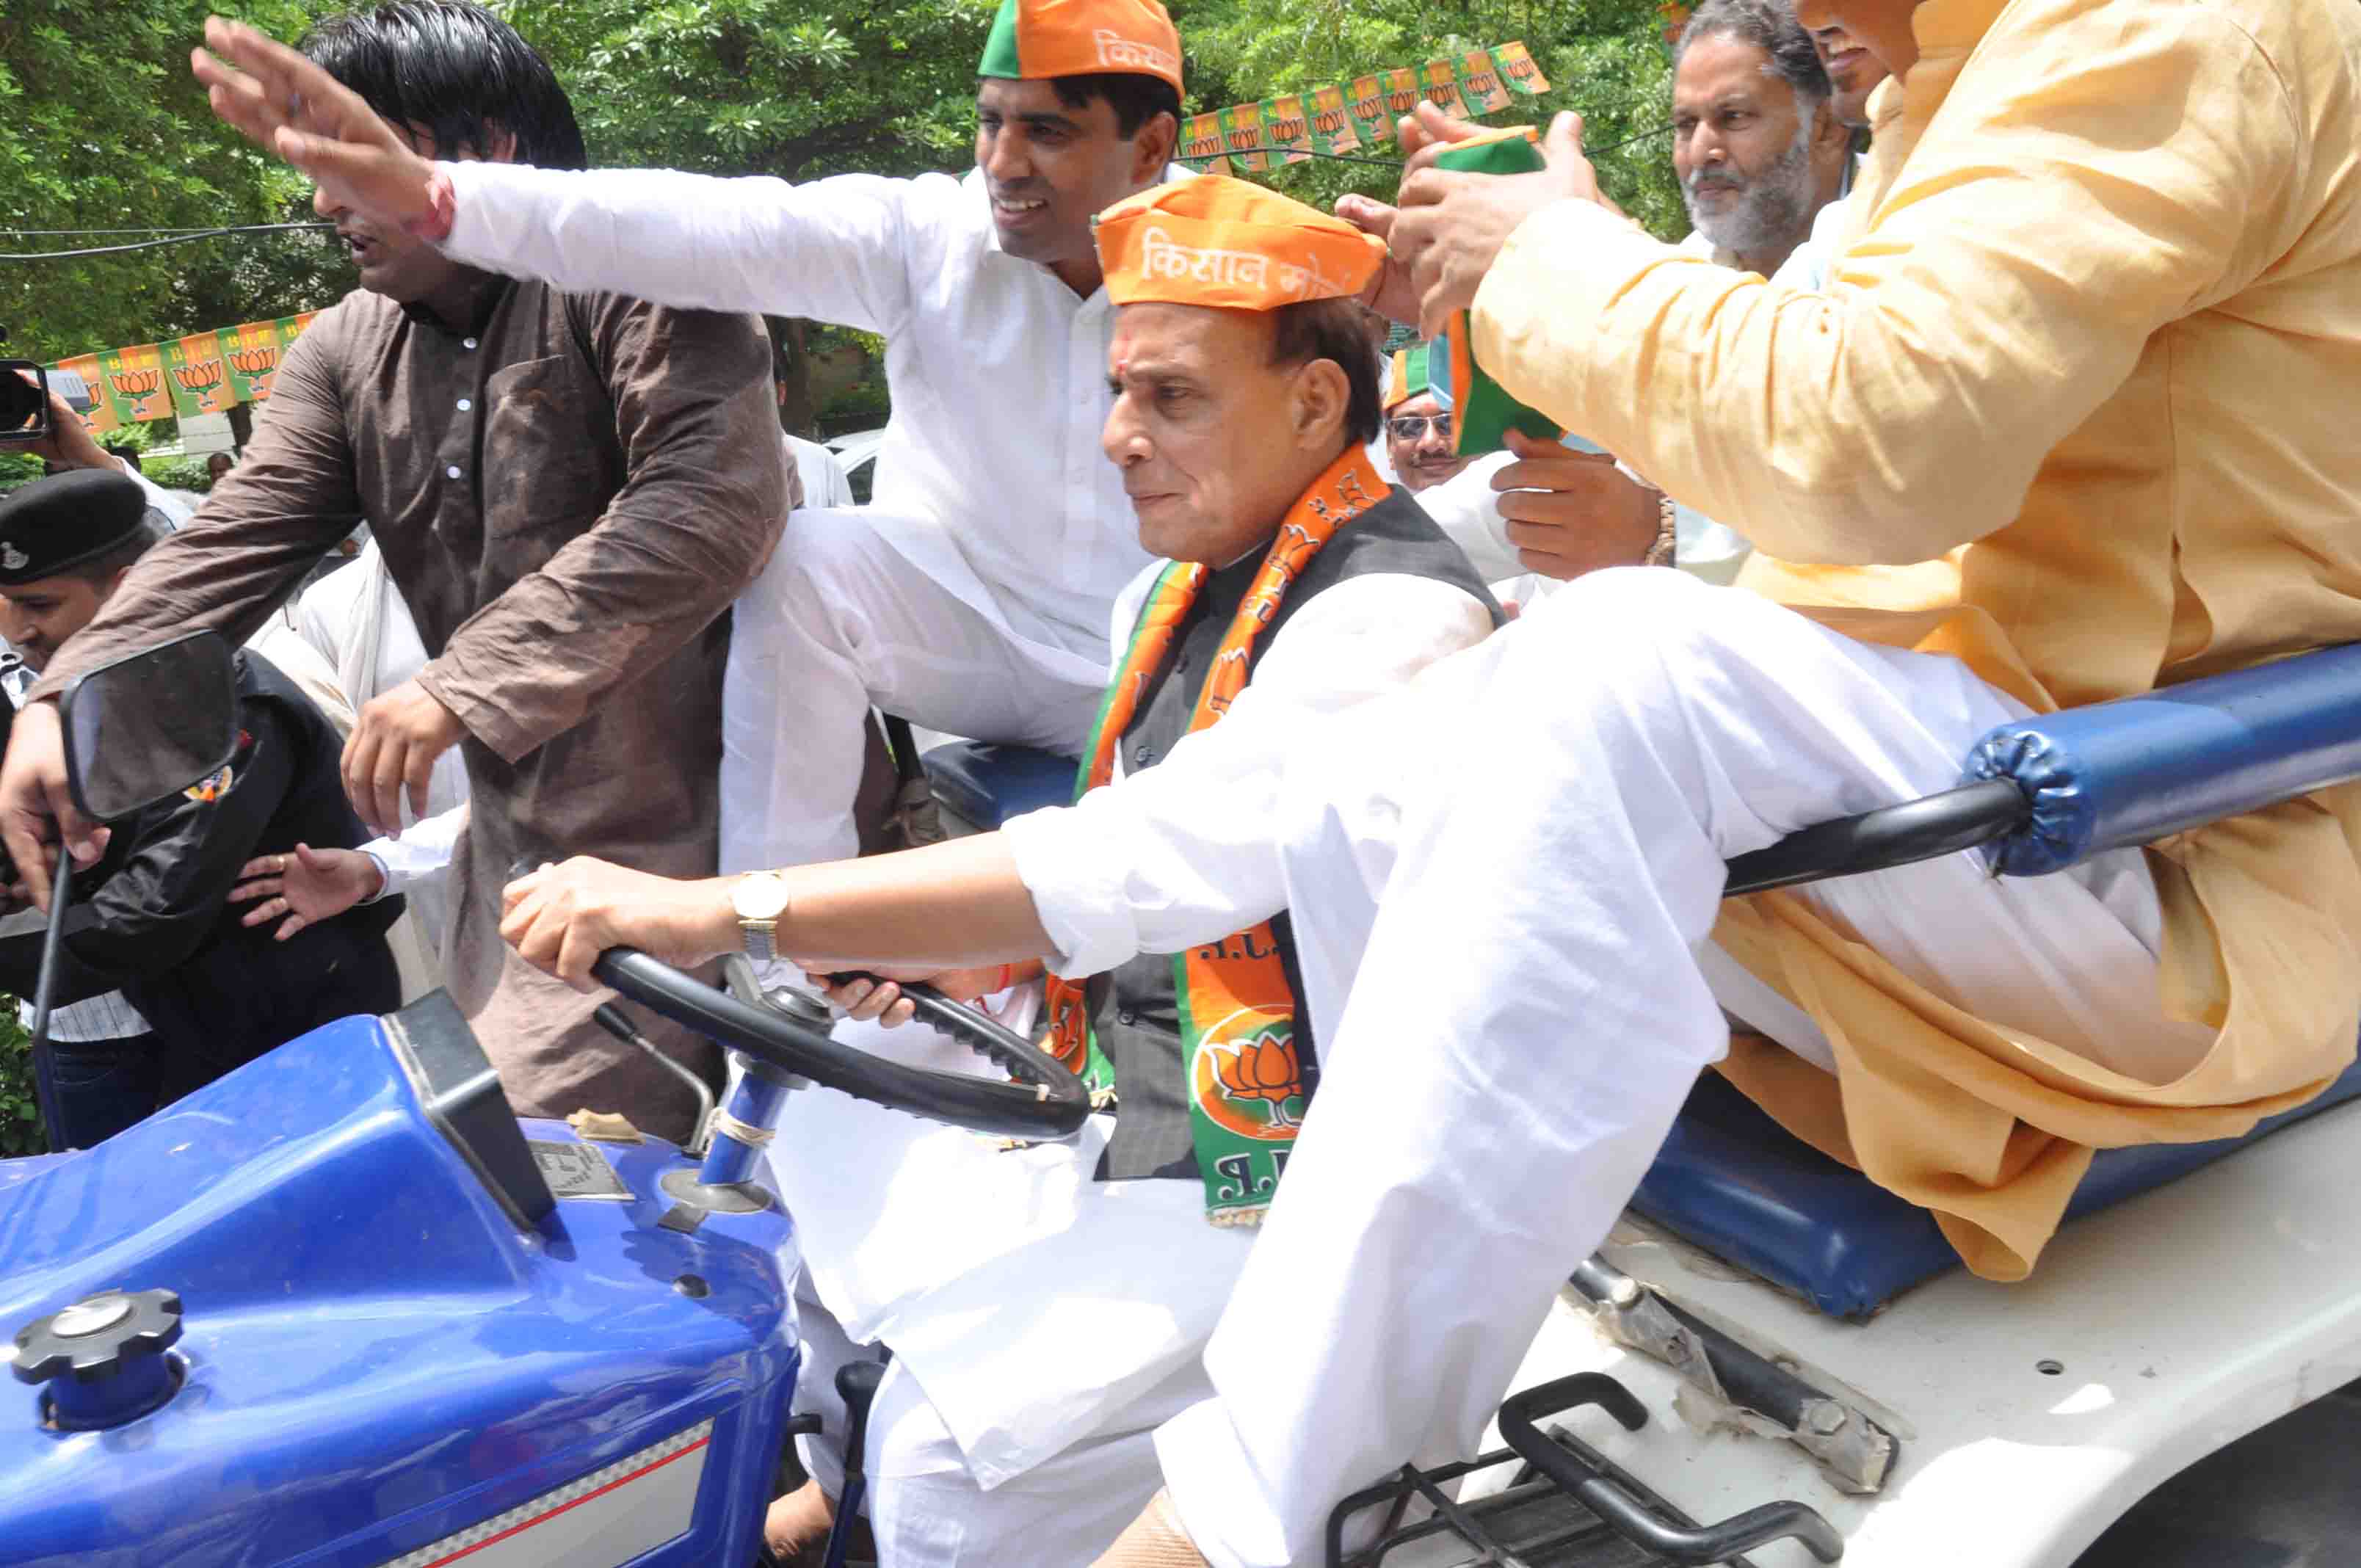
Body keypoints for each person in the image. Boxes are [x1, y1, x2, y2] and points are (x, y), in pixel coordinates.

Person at [496, 177, 1507, 1567]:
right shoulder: (1171, 590)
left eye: (1171, 399)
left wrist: (721, 909)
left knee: (947, 1471)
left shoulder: (1392, 614)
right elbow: (1123, 896)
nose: (1117, 440)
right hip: (1120, 1097)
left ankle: (876, 1499)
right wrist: (976, 955)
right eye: (1116, 391)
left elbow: (1152, 858)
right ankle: (804, 1493)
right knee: (793, 1170)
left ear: (1321, 407)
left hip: (1299, 1171)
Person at [0, 1, 788, 1147]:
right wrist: (70, 692)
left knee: (755, 1223)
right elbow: (233, 538)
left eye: (343, 154)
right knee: (554, 1203)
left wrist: (457, 685)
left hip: (746, 838)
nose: (321, 201)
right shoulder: (347, 349)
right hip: (522, 884)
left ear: (483, 147)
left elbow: (712, 504)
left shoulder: (645, 268)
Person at [186, 0, 1190, 882]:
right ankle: (788, 942)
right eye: (990, 122)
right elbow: (696, 225)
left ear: (1147, 150)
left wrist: (1354, 305)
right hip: (975, 646)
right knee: (805, 559)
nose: (1004, 163)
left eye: (1047, 132)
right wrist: (441, 199)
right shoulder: (922, 240)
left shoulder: (1250, 263)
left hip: (1186, 658)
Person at [0, 469, 402, 1147]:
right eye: (4, 603)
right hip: (202, 1031)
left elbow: (151, 913)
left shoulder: (224, 701)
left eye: (39, 603)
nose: (17, 631)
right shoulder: (94, 699)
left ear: (127, 589)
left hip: (302, 1041)